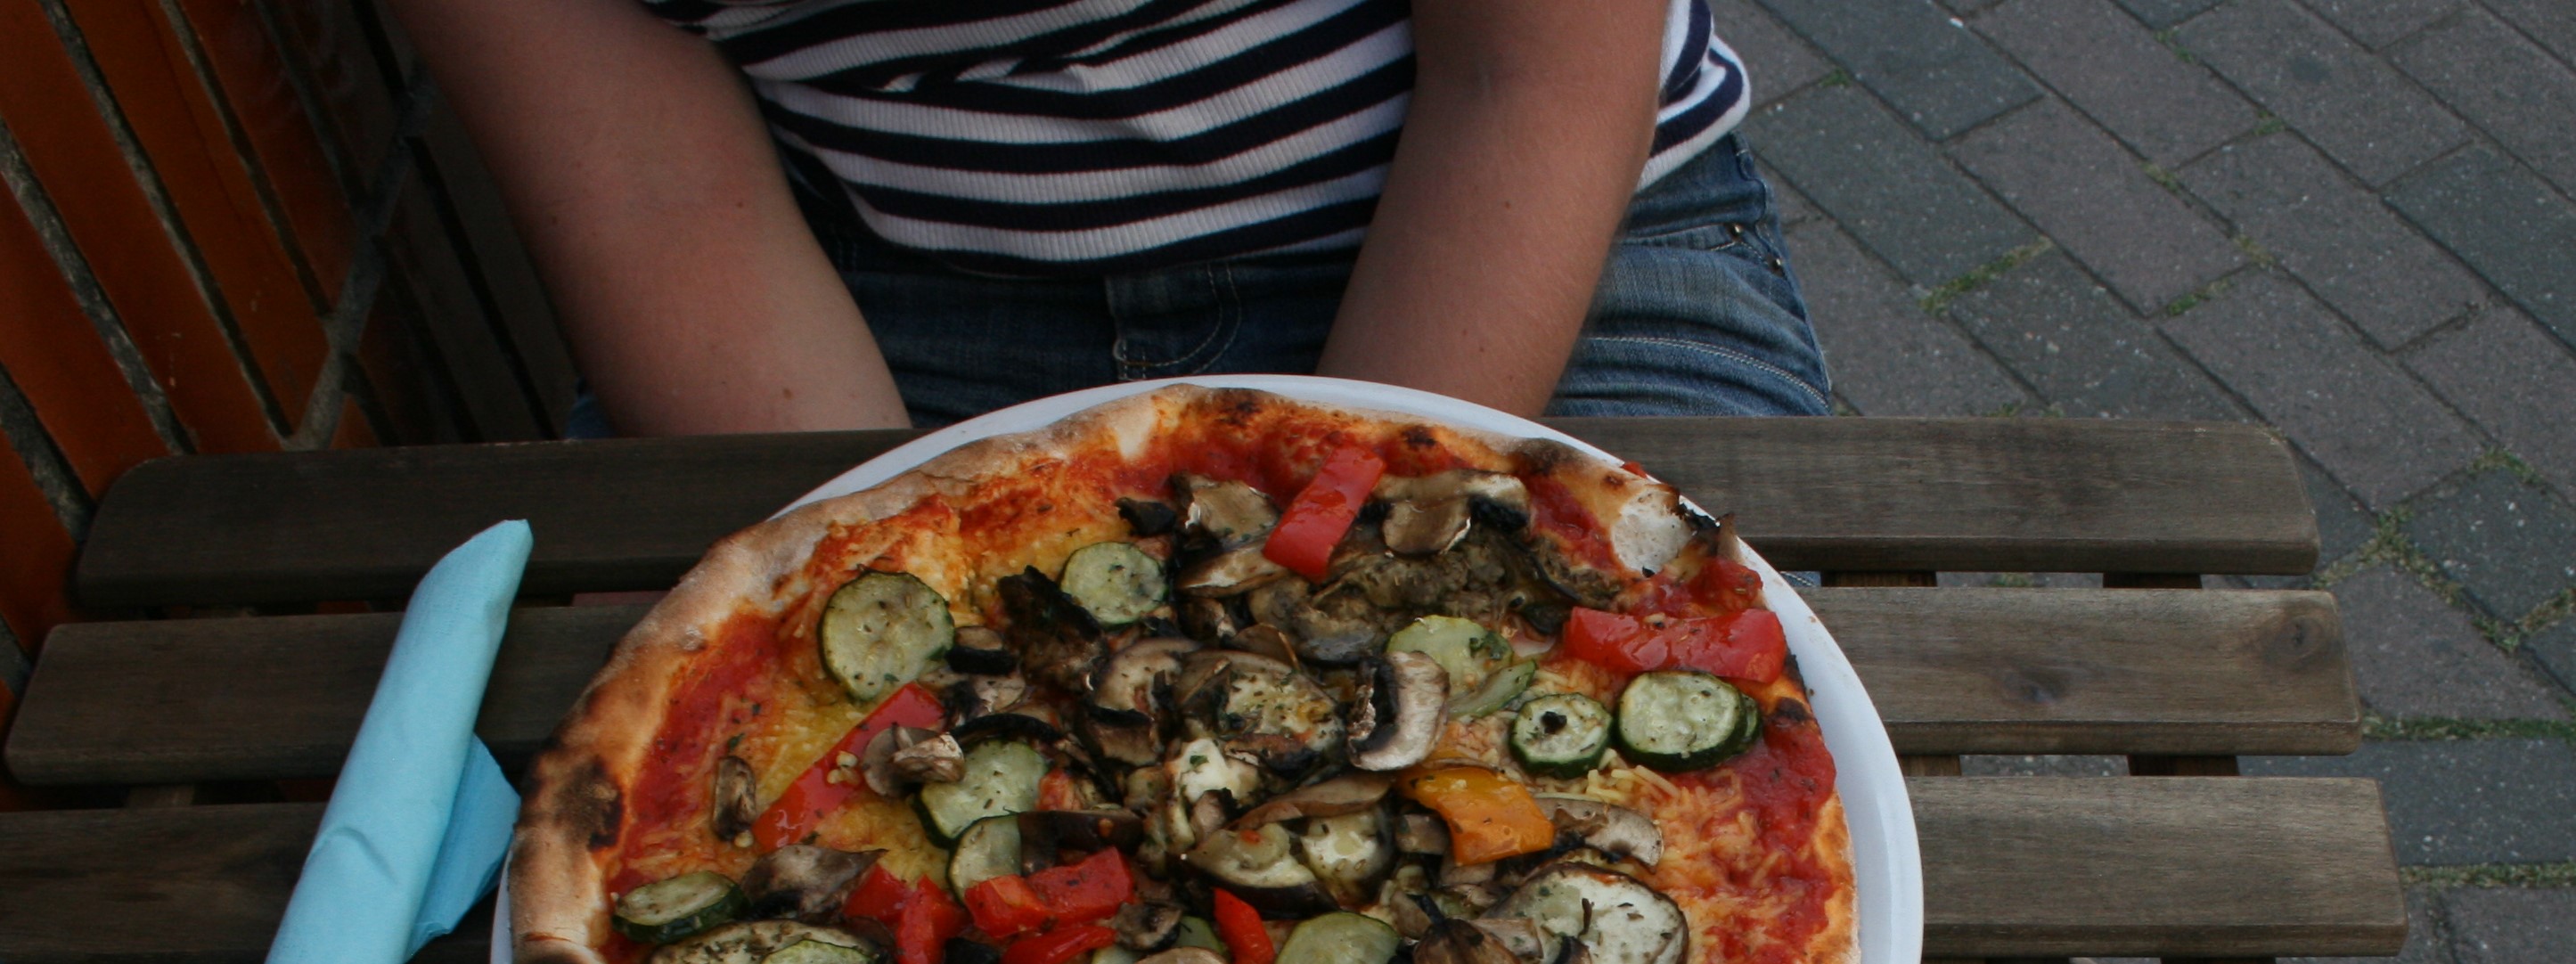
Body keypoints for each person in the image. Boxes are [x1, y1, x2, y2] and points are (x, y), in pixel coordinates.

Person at [386, 0, 1830, 434]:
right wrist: (909, 594)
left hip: (1521, 224)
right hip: (880, 298)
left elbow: (1526, 76)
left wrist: (1339, 540)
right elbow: (657, 198)